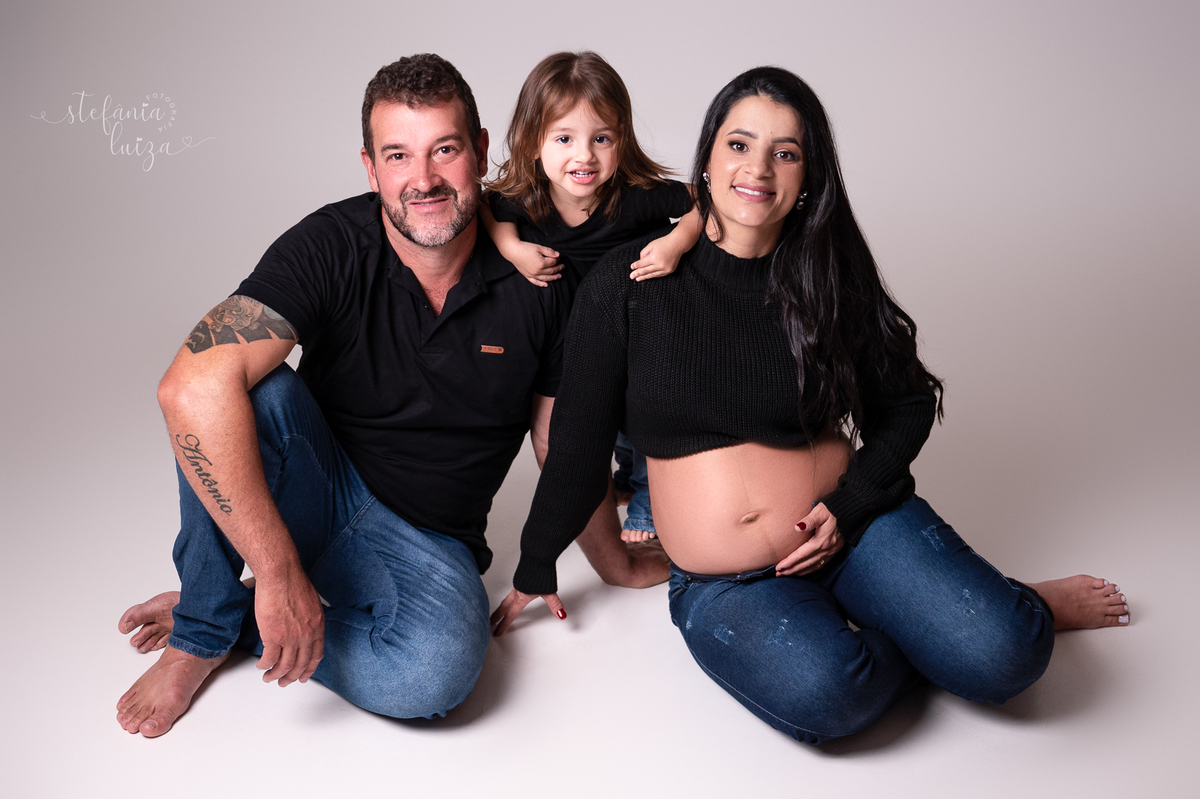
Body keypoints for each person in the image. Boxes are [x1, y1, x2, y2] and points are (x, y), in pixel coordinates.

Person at [490, 67, 1130, 744]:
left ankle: (1005, 612)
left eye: (786, 152)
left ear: (807, 177)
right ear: (707, 158)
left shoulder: (824, 276)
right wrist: (536, 561)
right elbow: (579, 442)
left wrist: (851, 506)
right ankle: (932, 636)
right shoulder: (629, 282)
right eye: (739, 145)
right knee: (831, 696)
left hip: (854, 530)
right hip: (726, 582)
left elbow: (909, 402)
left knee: (1009, 653)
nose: (758, 168)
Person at [115, 53, 666, 739]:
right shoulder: (330, 243)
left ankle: (245, 620)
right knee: (236, 386)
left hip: (429, 542)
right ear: (371, 168)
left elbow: (563, 439)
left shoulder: (542, 278)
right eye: (398, 156)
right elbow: (187, 387)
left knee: (434, 674)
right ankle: (202, 628)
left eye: (445, 150)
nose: (424, 179)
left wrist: (614, 563)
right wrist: (278, 573)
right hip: (315, 489)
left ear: (480, 152)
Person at [483, 51, 703, 543]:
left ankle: (647, 501)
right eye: (564, 139)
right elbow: (487, 207)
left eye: (601, 139)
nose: (584, 156)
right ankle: (624, 475)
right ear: (533, 141)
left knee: (642, 411)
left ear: (621, 139)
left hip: (643, 328)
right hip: (578, 334)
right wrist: (512, 248)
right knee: (600, 416)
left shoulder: (635, 196)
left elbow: (706, 201)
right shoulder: (529, 199)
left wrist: (676, 242)